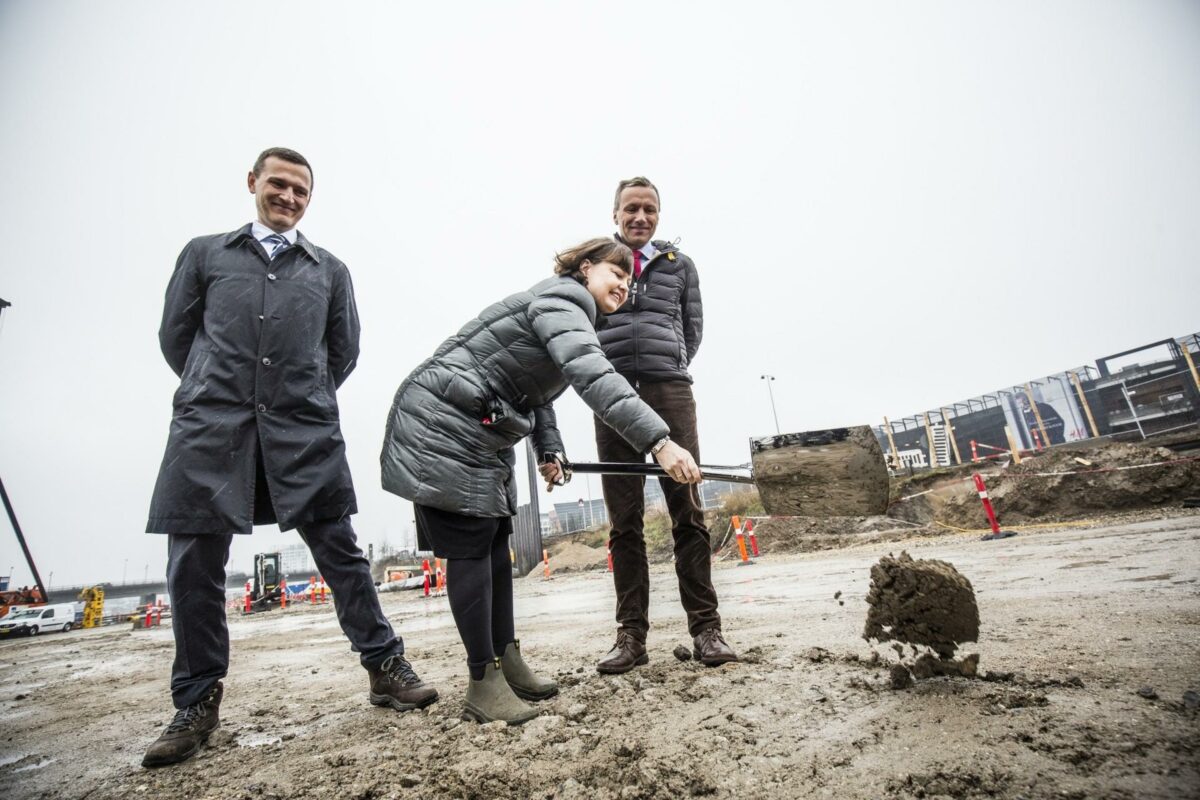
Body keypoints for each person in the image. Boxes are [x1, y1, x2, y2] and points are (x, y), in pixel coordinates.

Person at [142, 147, 437, 769]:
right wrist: (215, 387)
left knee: (341, 550)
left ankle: (385, 666)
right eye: (278, 184)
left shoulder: (329, 270)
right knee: (193, 562)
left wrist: (299, 393)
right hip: (210, 427)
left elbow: (343, 351)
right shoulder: (204, 254)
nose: (289, 197)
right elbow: (177, 336)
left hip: (302, 426)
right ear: (252, 183)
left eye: (301, 190)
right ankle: (196, 703)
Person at [380, 238, 702, 725]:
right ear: (587, 268)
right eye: (617, 275)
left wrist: (548, 449)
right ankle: (482, 684)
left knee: (493, 543)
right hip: (443, 421)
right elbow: (591, 375)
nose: (625, 286)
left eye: (631, 281)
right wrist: (660, 441)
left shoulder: (568, 311)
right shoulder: (563, 301)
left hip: (478, 425)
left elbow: (537, 388)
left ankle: (505, 662)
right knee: (471, 547)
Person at [594, 176, 738, 674]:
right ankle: (630, 635)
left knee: (688, 508)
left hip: (670, 391)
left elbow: (691, 330)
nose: (640, 217)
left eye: (649, 209)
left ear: (659, 215)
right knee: (624, 522)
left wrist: (667, 365)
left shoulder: (681, 268)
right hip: (610, 396)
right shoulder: (594, 266)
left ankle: (706, 629)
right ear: (615, 214)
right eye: (630, 208)